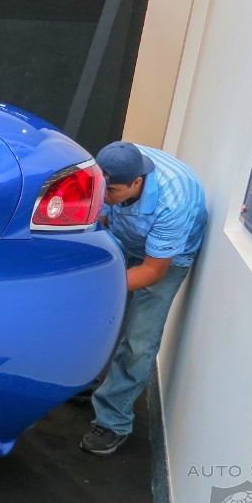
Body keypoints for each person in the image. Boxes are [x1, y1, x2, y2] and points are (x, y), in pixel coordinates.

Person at [80, 141, 207, 455]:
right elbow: (99, 221)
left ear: (137, 182)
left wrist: (99, 283)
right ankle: (81, 380)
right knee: (91, 313)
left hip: (167, 259)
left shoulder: (173, 201)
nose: (104, 196)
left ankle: (113, 420)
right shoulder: (113, 168)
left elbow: (152, 271)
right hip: (125, 235)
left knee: (139, 339)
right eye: (102, 188)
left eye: (112, 191)